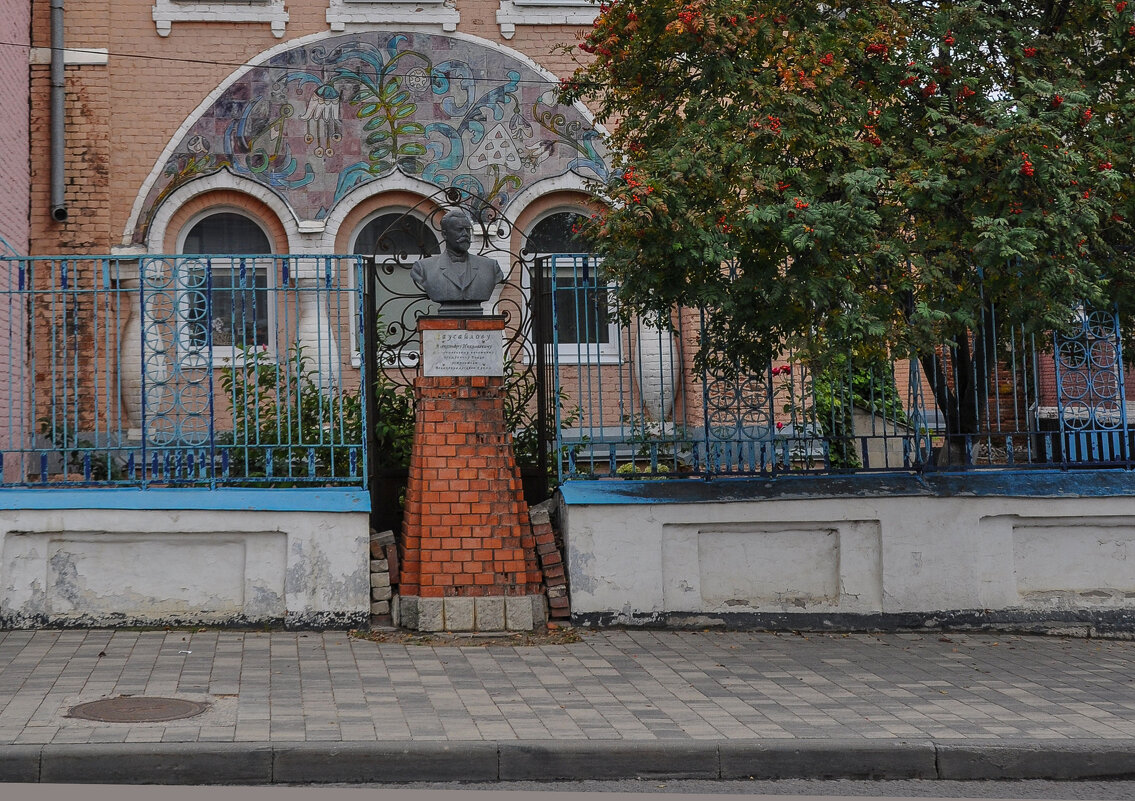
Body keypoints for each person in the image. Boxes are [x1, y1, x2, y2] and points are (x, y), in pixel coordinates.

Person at [410, 210, 505, 315]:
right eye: (459, 230)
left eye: (467, 230)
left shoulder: (490, 267)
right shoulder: (424, 268)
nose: (465, 234)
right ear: (445, 234)